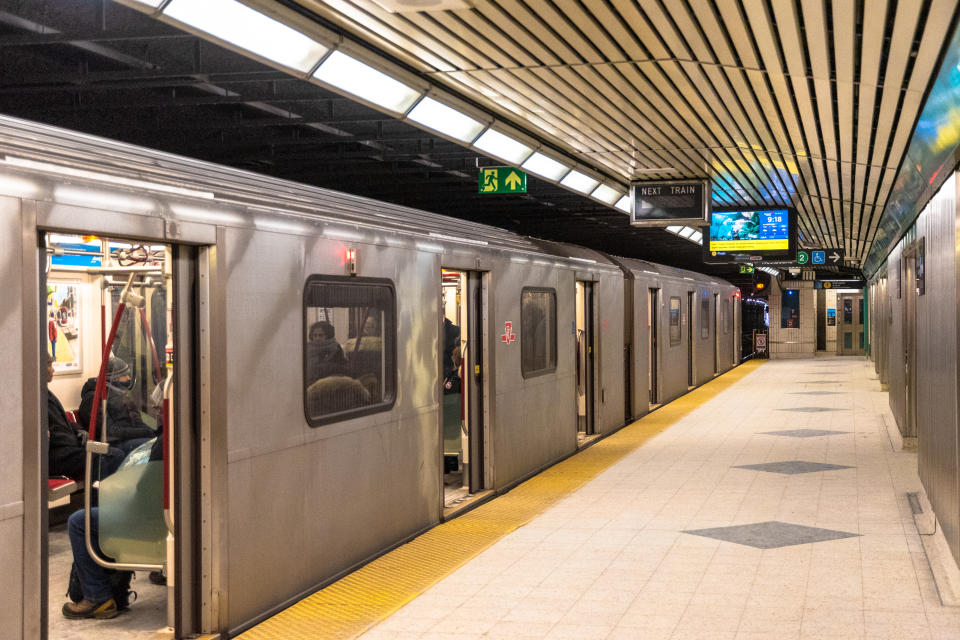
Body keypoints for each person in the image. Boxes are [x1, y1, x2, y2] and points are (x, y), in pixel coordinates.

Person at [62, 435, 163, 620]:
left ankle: (97, 597)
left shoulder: (164, 443)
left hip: (152, 520)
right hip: (166, 517)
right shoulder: (182, 436)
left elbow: (144, 489)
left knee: (78, 522)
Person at [46, 354, 124, 480]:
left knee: (114, 453)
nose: (53, 370)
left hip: (68, 449)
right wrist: (77, 443)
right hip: (58, 456)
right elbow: (49, 434)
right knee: (111, 455)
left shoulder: (46, 393)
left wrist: (78, 430)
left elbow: (62, 422)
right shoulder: (36, 399)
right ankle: (97, 498)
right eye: (49, 365)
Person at [78, 357, 155, 454]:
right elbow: (110, 431)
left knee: (160, 442)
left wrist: (151, 431)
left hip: (126, 438)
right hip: (113, 443)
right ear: (114, 378)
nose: (129, 378)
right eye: (125, 375)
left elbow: (136, 421)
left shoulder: (120, 394)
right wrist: (144, 432)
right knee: (153, 447)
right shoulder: (94, 398)